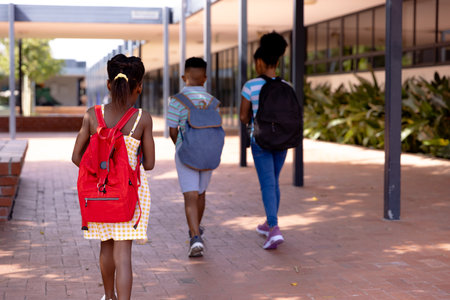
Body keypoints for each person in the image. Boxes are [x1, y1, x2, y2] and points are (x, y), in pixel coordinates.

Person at [72, 54, 155, 300]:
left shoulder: (91, 115)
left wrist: (100, 174)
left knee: (105, 246)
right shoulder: (142, 119)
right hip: (128, 196)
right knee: (123, 254)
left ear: (109, 84)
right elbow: (149, 164)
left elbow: (77, 156)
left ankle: (109, 297)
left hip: (99, 196)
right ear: (138, 87)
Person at [239, 32, 289, 250]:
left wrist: (252, 122)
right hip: (282, 140)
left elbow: (243, 115)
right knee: (274, 182)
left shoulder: (250, 85)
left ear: (259, 62)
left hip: (261, 140)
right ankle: (268, 223)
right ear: (277, 62)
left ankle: (274, 228)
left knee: (268, 184)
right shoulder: (287, 85)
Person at [167, 57, 220, 257]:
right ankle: (195, 230)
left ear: (184, 77)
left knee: (189, 195)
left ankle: (195, 236)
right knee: (201, 193)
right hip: (208, 153)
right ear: (205, 78)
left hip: (186, 153)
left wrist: (181, 147)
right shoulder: (213, 102)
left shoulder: (177, 100)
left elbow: (173, 130)